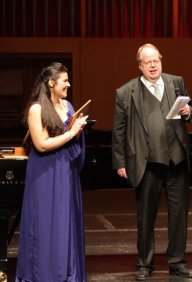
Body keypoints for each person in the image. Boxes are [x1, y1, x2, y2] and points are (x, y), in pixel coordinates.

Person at [112, 43, 192, 280]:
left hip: (176, 161)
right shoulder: (125, 92)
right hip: (147, 164)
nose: (152, 65)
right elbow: (118, 131)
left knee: (179, 215)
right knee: (146, 216)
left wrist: (189, 112)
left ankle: (177, 261)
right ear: (140, 65)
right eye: (147, 62)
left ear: (161, 60)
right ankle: (144, 264)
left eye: (156, 60)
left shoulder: (175, 82)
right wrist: (120, 161)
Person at [15, 62, 89, 282]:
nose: (69, 84)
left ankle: (66, 273)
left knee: (64, 222)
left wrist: (78, 130)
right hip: (45, 172)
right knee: (45, 222)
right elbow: (41, 144)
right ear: (51, 83)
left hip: (65, 170)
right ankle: (43, 275)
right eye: (64, 80)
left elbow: (70, 139)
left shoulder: (67, 105)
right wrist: (72, 132)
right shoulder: (37, 108)